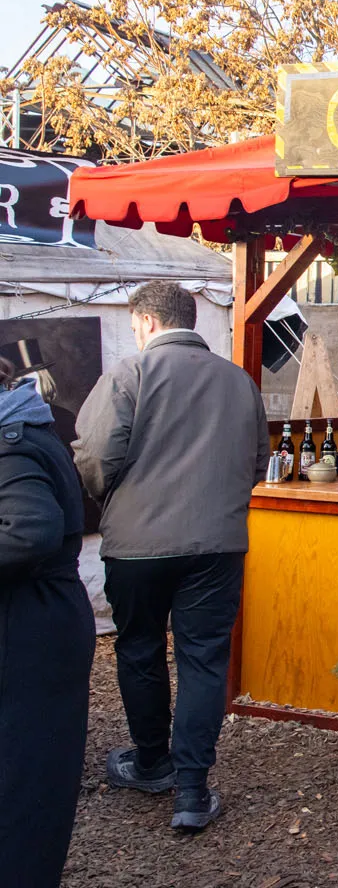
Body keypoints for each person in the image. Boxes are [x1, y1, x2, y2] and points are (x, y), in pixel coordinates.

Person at [73, 281, 269, 831]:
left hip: (136, 545)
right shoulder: (240, 382)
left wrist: (113, 500)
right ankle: (191, 789)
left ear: (146, 322)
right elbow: (258, 463)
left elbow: (92, 456)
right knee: (203, 660)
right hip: (217, 544)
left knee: (138, 650)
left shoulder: (128, 376)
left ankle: (152, 762)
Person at [0, 354, 93, 886]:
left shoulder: (10, 440)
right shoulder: (23, 425)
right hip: (36, 621)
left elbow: (30, 529)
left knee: (22, 787)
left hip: (31, 627)